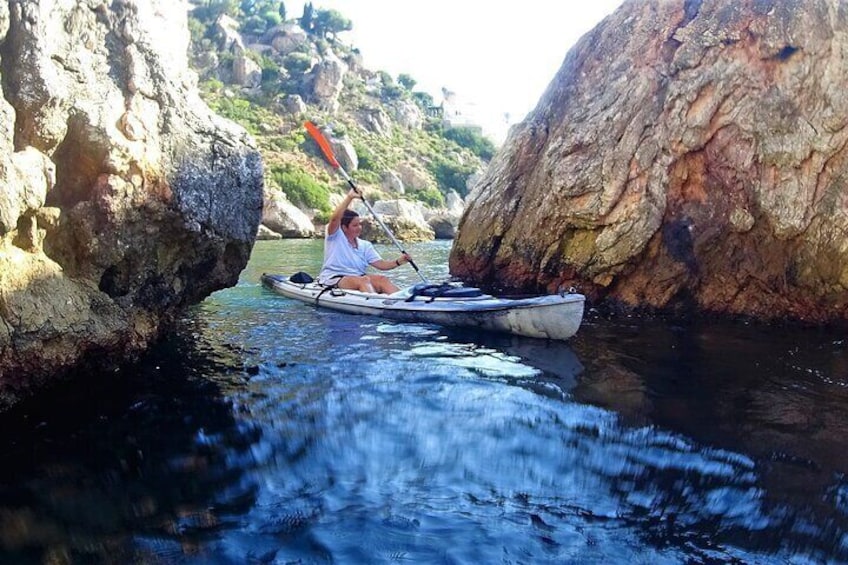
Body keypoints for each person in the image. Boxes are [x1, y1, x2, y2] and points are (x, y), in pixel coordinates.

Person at [318, 188, 412, 294]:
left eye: (360, 224)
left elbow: (381, 264)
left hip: (359, 277)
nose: (359, 227)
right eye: (355, 225)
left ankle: (404, 301)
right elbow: (335, 219)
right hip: (334, 278)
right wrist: (350, 198)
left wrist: (399, 261)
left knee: (382, 280)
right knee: (364, 281)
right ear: (344, 227)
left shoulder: (365, 245)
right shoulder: (335, 237)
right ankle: (375, 305)